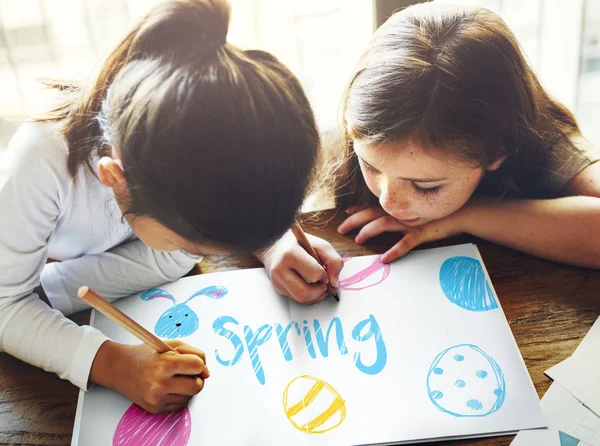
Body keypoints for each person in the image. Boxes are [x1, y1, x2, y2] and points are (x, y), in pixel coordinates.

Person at [0, 0, 322, 414]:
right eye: (200, 241)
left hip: (78, 271)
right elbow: (5, 304)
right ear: (114, 178)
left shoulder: (212, 112)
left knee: (176, 259)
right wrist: (114, 364)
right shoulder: (41, 159)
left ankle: (54, 290)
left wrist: (271, 244)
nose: (212, 253)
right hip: (18, 271)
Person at [265, 3, 600, 306]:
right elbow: (228, 180)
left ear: (496, 152)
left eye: (426, 187)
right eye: (369, 165)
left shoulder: (545, 139)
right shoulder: (355, 131)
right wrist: (272, 243)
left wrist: (467, 215)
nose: (389, 202)